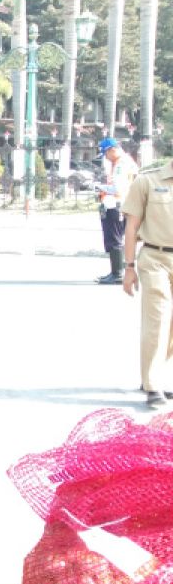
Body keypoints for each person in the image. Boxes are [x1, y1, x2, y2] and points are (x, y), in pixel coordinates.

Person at [121, 161, 173, 409]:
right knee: (158, 318)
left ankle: (151, 374)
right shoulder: (148, 181)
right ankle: (153, 385)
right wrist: (129, 266)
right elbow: (131, 227)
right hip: (155, 258)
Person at [94, 136, 139, 285]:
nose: (106, 158)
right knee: (114, 238)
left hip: (117, 205)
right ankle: (115, 272)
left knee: (114, 239)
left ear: (112, 150)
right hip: (119, 204)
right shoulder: (124, 162)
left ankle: (117, 273)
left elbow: (118, 188)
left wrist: (100, 187)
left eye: (106, 154)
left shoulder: (121, 164)